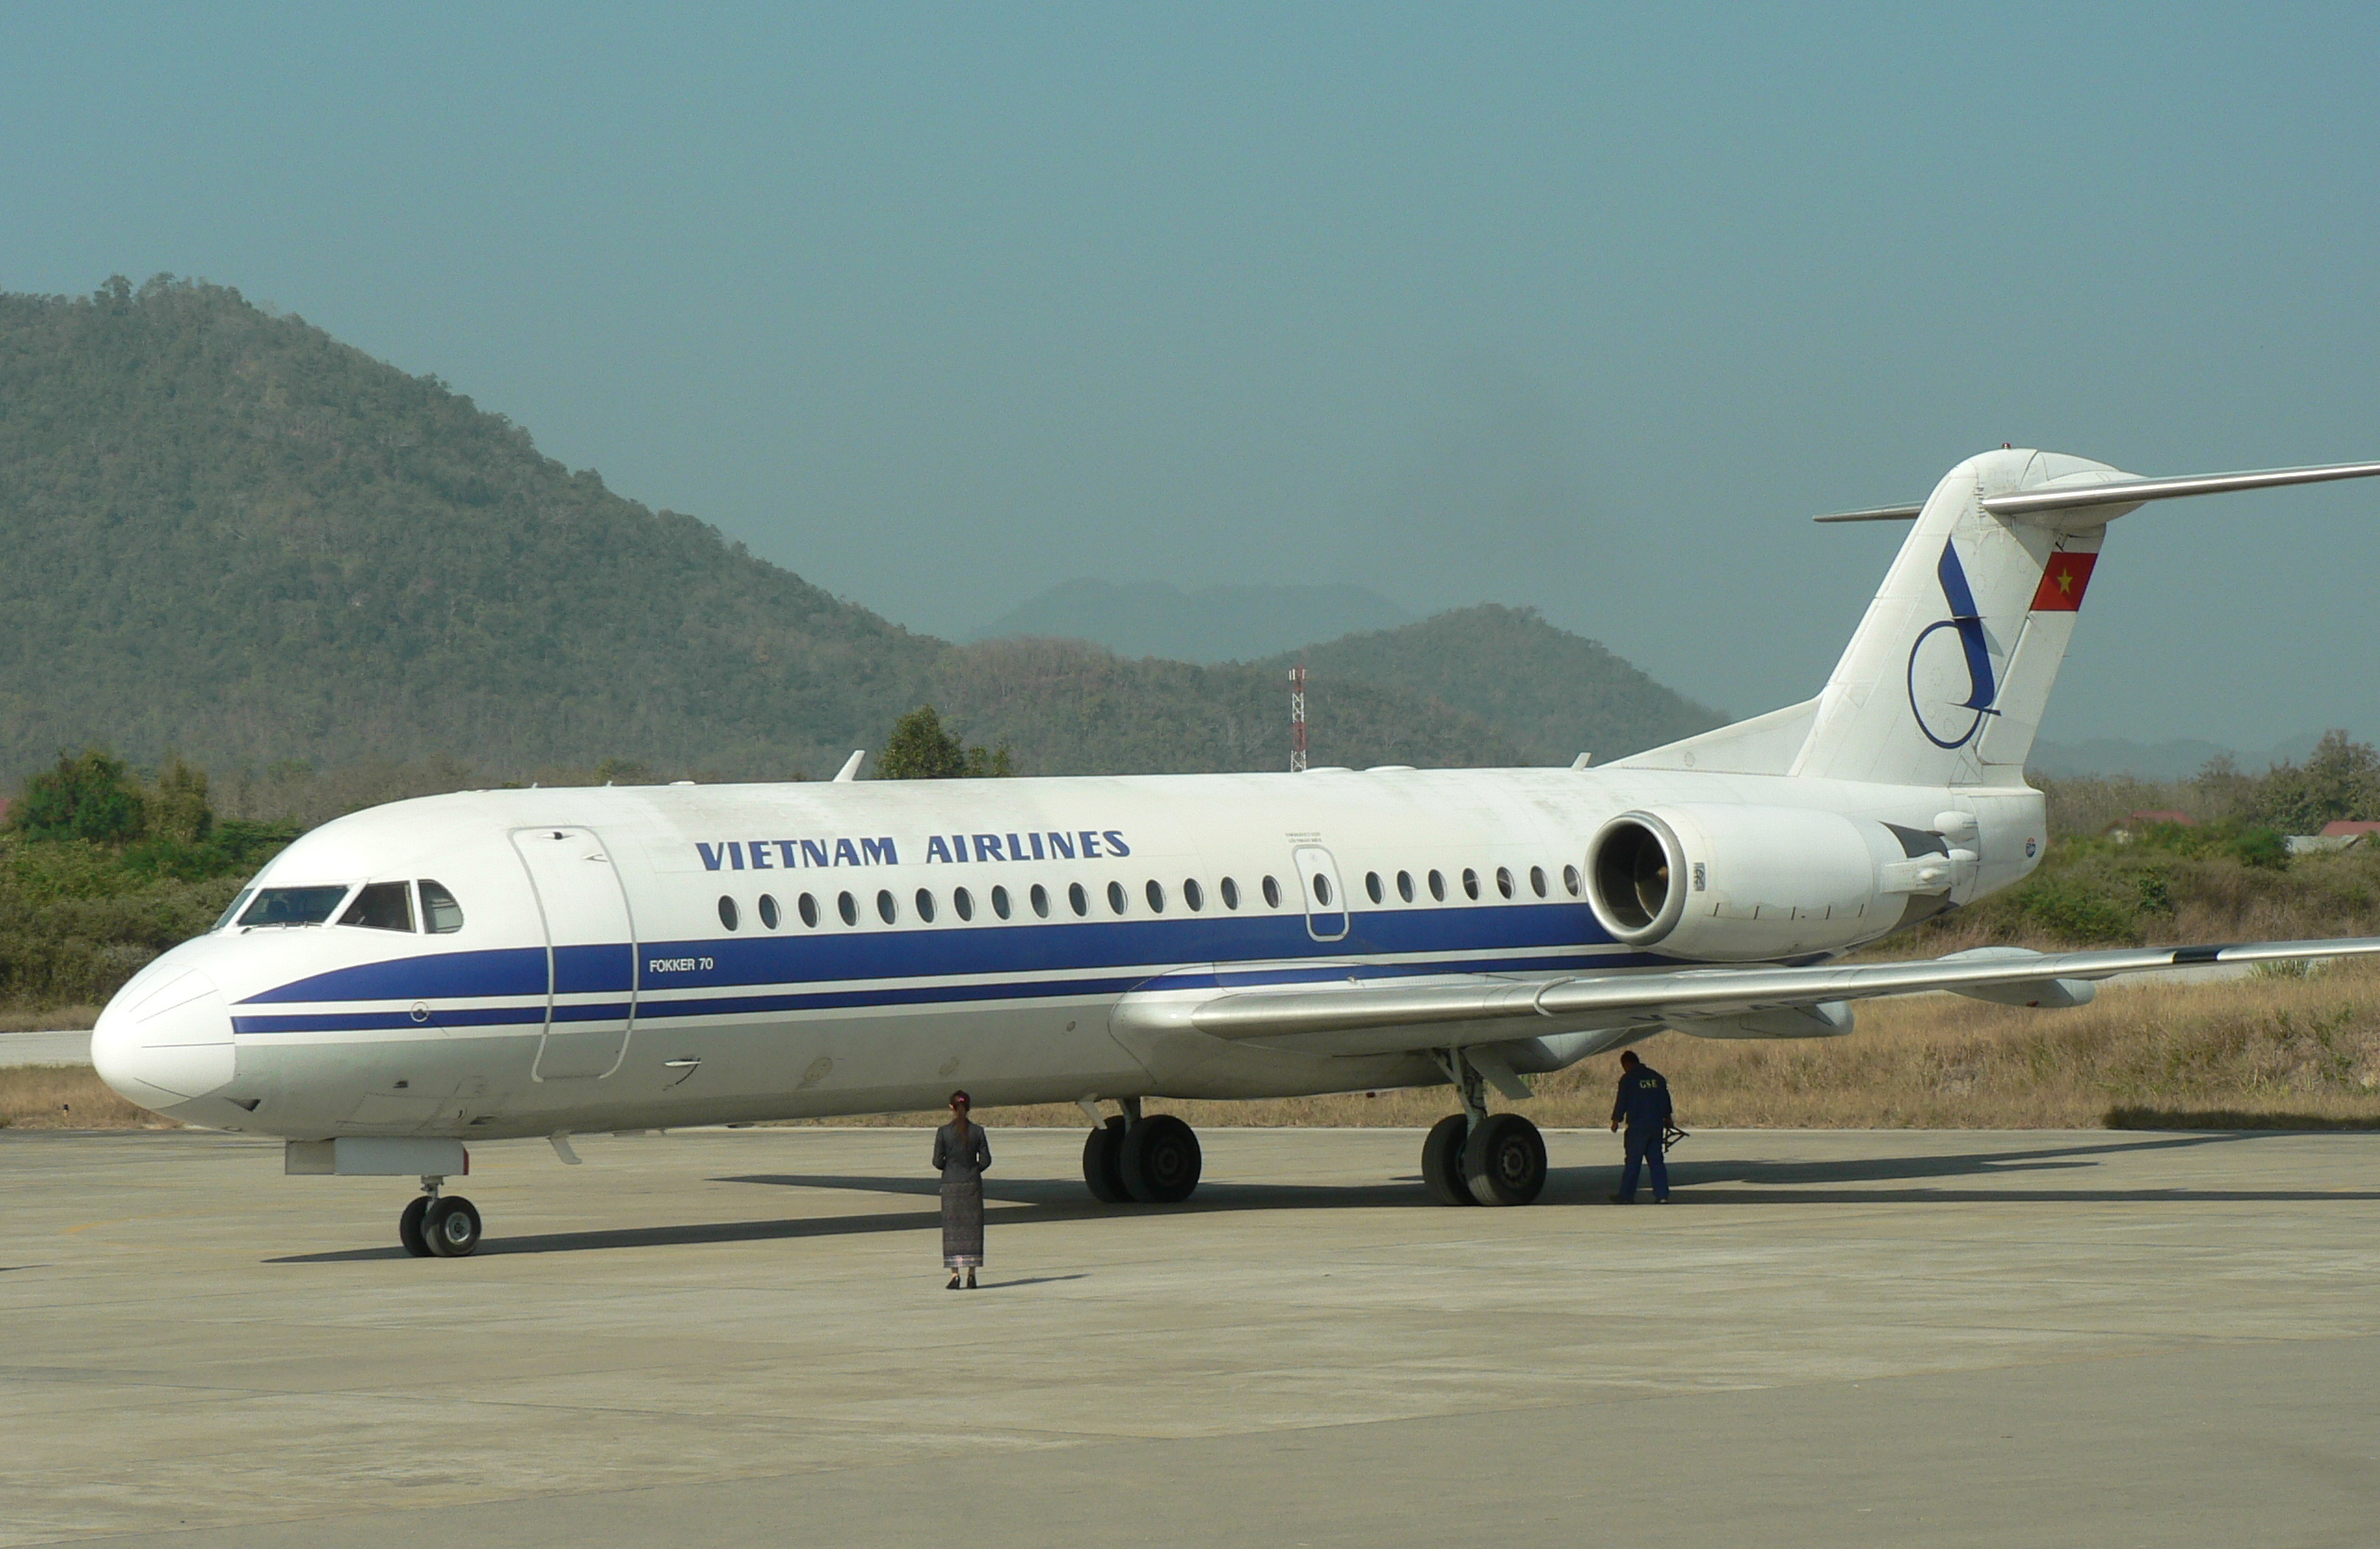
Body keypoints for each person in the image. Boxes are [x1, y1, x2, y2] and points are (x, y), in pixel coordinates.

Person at [932, 1090, 992, 1289]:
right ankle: (972, 1274)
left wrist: (949, 1168)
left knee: (952, 1230)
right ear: (968, 1108)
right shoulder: (978, 1131)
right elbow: (986, 1160)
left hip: (951, 1184)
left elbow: (936, 1161)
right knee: (973, 1228)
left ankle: (955, 1275)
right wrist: (973, 1170)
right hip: (971, 1184)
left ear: (951, 1107)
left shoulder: (943, 1132)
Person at [1607, 1050, 1673, 1204]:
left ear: (1626, 1064)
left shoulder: (1628, 1079)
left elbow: (1622, 1101)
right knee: (1656, 1161)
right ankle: (1662, 1195)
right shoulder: (1657, 1078)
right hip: (1656, 1126)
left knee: (1633, 1162)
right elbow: (1665, 1100)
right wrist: (1668, 1118)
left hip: (1638, 1126)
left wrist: (1616, 1120)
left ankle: (1626, 1195)